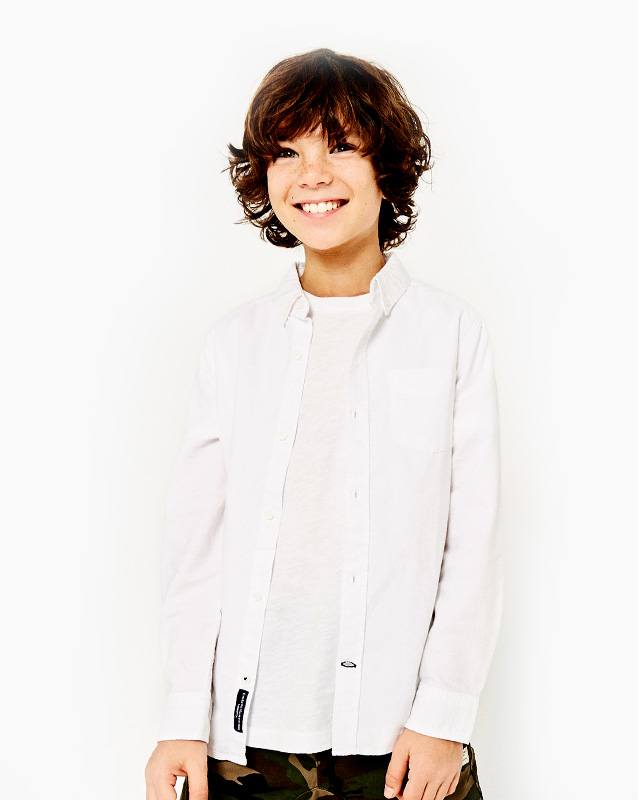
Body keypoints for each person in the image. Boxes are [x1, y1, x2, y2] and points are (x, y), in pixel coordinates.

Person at [145, 47, 502, 800]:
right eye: (287, 152)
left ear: (386, 168)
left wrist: (444, 717)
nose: (312, 173)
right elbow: (197, 550)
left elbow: (471, 541)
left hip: (402, 743)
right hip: (246, 746)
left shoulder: (449, 335)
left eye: (340, 146)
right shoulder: (234, 344)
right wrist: (182, 719)